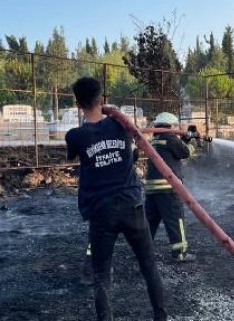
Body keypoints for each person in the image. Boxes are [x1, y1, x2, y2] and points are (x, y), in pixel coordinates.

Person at [65, 77, 167, 321]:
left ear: (78, 104)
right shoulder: (121, 125)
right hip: (132, 204)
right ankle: (161, 317)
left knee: (102, 275)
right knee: (149, 267)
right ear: (101, 99)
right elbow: (131, 154)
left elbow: (71, 158)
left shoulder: (75, 136)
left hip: (102, 211)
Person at [144, 112, 199, 263]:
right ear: (171, 125)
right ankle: (180, 253)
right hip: (168, 188)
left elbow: (176, 148)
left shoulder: (155, 140)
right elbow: (185, 152)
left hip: (152, 189)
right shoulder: (170, 137)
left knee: (150, 221)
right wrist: (193, 141)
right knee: (175, 220)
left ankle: (143, 252)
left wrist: (185, 138)